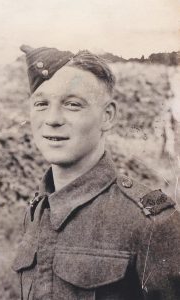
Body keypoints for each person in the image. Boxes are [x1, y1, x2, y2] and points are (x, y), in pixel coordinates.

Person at [12, 45, 180, 300]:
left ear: (107, 116)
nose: (52, 118)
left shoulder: (152, 223)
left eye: (72, 104)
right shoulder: (35, 212)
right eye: (41, 103)